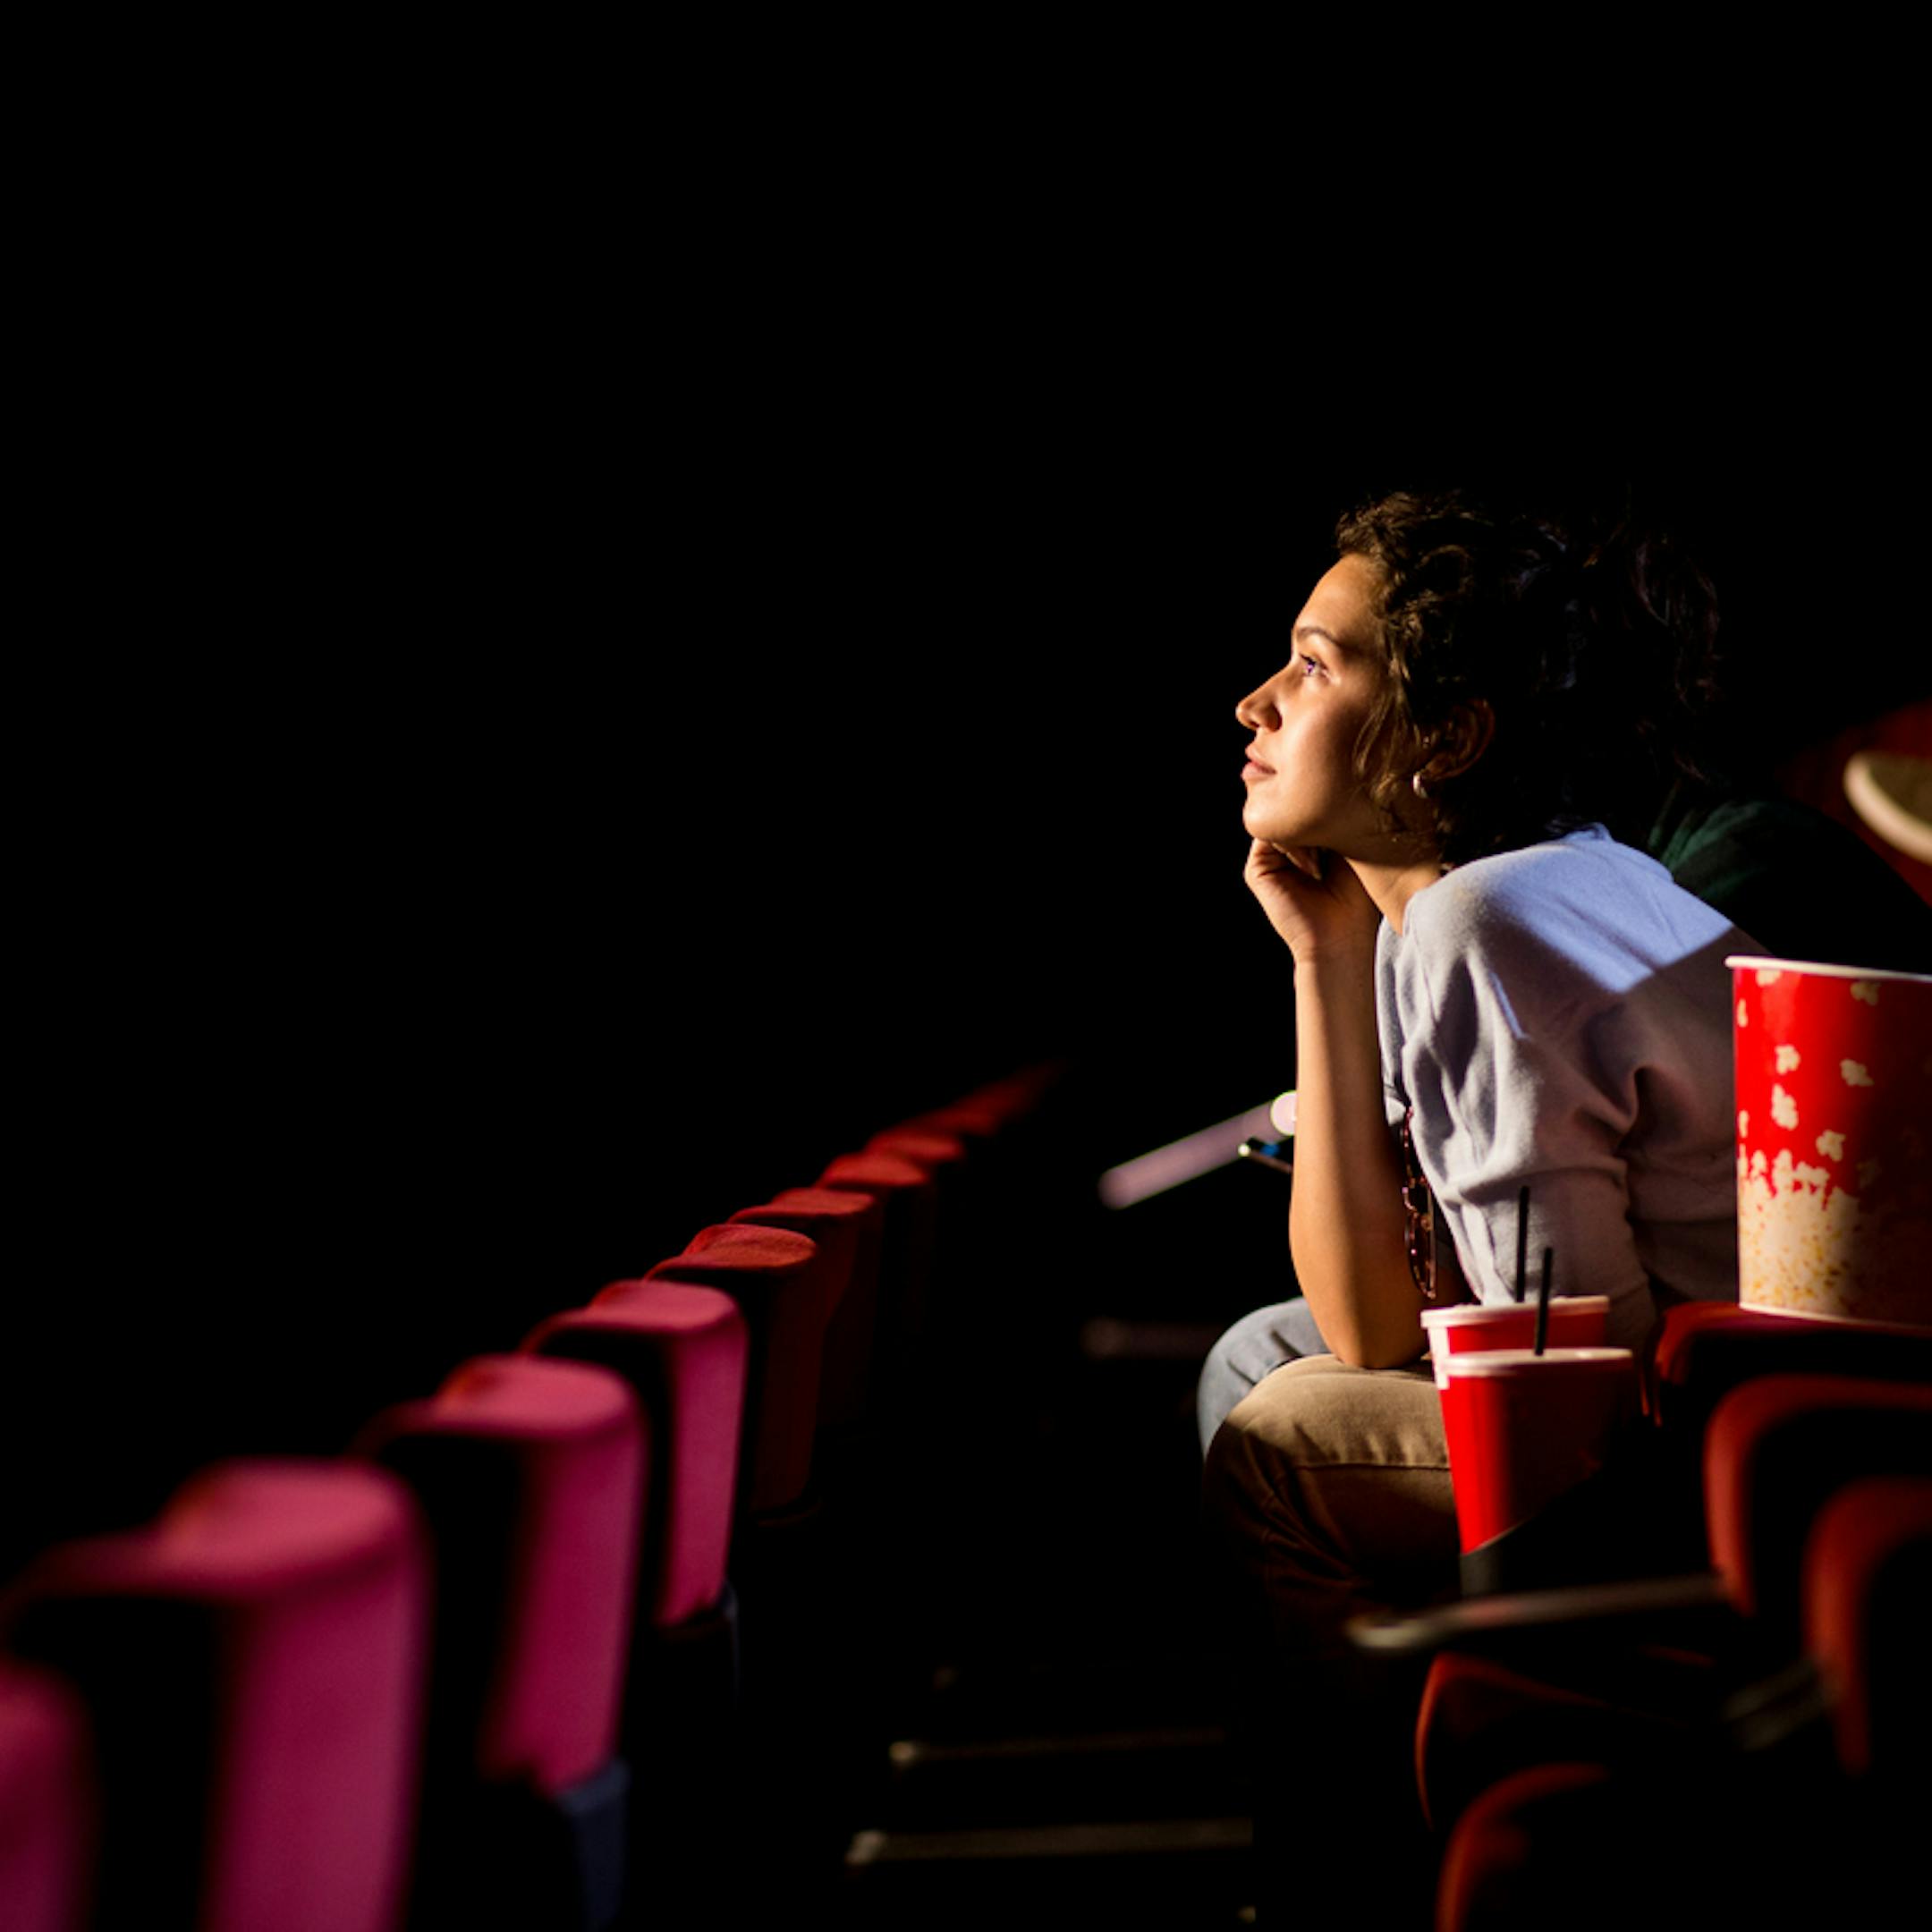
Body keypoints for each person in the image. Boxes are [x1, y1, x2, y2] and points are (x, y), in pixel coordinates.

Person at [1197, 489, 1762, 1921]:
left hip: (1718, 1441)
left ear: (1448, 738)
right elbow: (1368, 1317)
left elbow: (1562, 1367)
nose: (1256, 703)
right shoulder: (1533, 886)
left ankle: (1366, 1878)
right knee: (1263, 1351)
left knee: (1272, 1441)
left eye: (1318, 667)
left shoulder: (1481, 923)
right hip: (1694, 1395)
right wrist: (1323, 962)